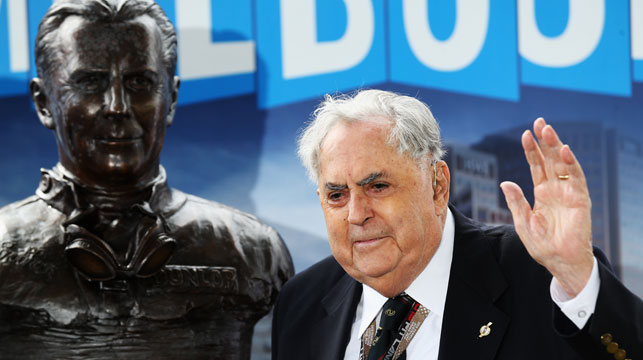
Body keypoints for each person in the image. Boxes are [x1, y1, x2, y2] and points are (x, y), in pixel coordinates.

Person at [0, 0, 293, 358]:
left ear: (170, 99)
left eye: (140, 82)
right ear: (44, 102)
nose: (117, 106)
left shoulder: (254, 251)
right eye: (90, 82)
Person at [272, 89, 642, 360]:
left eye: (378, 186)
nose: (356, 213)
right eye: (336, 194)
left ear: (438, 186)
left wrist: (578, 280)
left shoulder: (540, 274)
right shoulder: (301, 303)